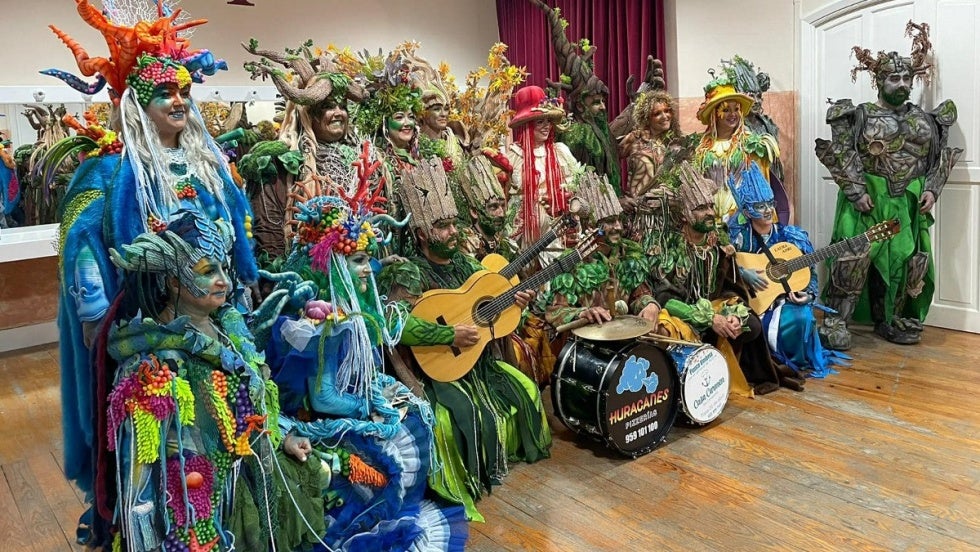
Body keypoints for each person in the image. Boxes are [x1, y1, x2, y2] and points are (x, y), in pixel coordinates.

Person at [45, 5, 257, 544]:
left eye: (184, 88)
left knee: (233, 421)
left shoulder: (212, 168)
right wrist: (95, 317)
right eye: (164, 91)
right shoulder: (111, 170)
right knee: (163, 440)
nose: (180, 99)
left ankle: (228, 514)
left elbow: (238, 233)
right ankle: (167, 524)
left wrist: (244, 284)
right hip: (149, 327)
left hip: (217, 312)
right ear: (137, 103)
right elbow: (81, 247)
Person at [259, 150, 467, 550]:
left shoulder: (359, 308)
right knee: (405, 431)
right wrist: (370, 407)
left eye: (368, 260)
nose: (368, 269)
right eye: (356, 260)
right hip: (326, 419)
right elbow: (323, 396)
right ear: (332, 264)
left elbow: (399, 327)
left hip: (355, 400)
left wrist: (445, 337)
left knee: (418, 415)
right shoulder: (328, 325)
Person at [380, 158, 551, 521]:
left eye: (454, 223)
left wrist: (517, 297)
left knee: (526, 389)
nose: (453, 233)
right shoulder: (409, 271)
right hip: (438, 369)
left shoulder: (465, 263)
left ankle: (509, 461)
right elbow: (397, 327)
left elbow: (495, 294)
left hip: (477, 362)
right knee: (464, 414)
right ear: (423, 234)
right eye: (442, 227)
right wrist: (447, 333)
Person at [105, 210, 280, 551]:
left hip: (246, 492)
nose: (223, 281)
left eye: (224, 270)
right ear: (173, 281)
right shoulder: (155, 364)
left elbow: (258, 405)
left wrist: (281, 436)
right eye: (207, 271)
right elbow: (148, 480)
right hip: (196, 517)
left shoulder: (231, 328)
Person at [814, 21, 961, 348]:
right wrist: (856, 190)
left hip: (906, 202)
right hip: (868, 199)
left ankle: (890, 319)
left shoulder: (924, 120)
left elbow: (938, 157)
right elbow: (841, 151)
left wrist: (933, 188)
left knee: (904, 261)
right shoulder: (860, 115)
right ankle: (837, 321)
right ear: (879, 80)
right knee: (852, 259)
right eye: (894, 77)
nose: (902, 83)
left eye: (907, 78)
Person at [651, 162, 801, 395]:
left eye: (711, 206)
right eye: (701, 208)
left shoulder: (718, 245)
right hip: (678, 312)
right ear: (684, 213)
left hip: (714, 306)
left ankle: (729, 372)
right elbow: (662, 296)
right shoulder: (668, 248)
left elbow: (730, 288)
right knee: (667, 331)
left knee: (749, 324)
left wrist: (733, 312)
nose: (710, 212)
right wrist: (708, 318)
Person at [241, 39, 372, 260]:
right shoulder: (282, 162)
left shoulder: (361, 157)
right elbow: (268, 226)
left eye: (342, 106)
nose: (339, 113)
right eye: (329, 107)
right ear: (308, 115)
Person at [729, 163, 849, 377]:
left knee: (801, 317)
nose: (768, 210)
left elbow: (809, 273)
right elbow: (722, 266)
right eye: (760, 205)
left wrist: (808, 295)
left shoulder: (792, 236)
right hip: (750, 300)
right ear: (746, 211)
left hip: (786, 300)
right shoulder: (737, 237)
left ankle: (792, 364)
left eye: (770, 203)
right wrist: (740, 272)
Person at [542, 171, 660, 330]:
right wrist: (583, 313)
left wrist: (650, 304)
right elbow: (556, 312)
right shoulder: (572, 261)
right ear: (591, 226)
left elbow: (639, 295)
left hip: (626, 335)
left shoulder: (629, 253)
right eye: (610, 222)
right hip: (589, 341)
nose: (618, 227)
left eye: (619, 219)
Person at [532, 0, 622, 194]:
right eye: (596, 102)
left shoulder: (601, 131)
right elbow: (581, 183)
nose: (603, 108)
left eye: (603, 101)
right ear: (581, 105)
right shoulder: (578, 136)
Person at [692, 76, 791, 226]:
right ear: (714, 114)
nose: (733, 114)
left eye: (736, 109)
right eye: (726, 110)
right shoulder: (703, 147)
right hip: (710, 212)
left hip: (742, 214)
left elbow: (759, 183)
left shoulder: (751, 143)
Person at [506, 85, 582, 259]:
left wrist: (562, 198)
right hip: (527, 232)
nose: (546, 126)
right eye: (540, 122)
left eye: (548, 121)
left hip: (559, 226)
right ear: (526, 126)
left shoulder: (560, 151)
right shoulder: (514, 156)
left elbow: (575, 186)